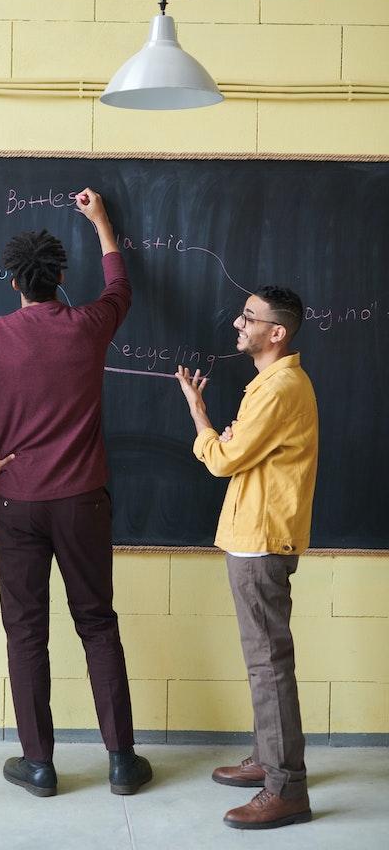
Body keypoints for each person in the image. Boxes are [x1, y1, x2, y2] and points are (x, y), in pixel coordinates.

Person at [0, 188, 152, 798]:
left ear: (14, 282)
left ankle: (39, 765)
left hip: (15, 505)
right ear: (59, 278)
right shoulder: (89, 325)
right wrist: (102, 222)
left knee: (26, 633)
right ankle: (122, 761)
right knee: (97, 624)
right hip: (83, 503)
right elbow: (120, 289)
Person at [176, 286, 318, 831]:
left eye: (249, 317)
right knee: (264, 659)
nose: (238, 322)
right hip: (254, 533)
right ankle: (269, 758)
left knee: (267, 664)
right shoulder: (272, 385)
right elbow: (246, 456)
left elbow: (224, 461)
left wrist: (200, 416)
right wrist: (230, 444)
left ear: (276, 332)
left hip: (261, 539)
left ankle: (286, 788)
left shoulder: (279, 387)